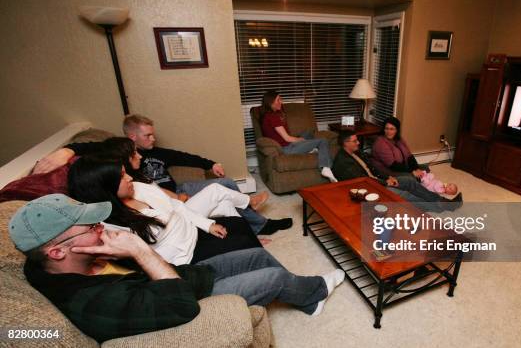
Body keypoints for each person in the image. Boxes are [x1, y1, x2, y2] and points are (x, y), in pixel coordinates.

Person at [9, 194, 345, 342]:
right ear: (56, 251)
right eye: (90, 226)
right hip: (186, 300)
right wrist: (138, 249)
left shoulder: (74, 261)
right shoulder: (90, 301)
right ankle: (315, 290)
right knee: (273, 277)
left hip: (182, 278)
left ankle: (306, 297)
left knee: (254, 255)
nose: (102, 227)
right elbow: (180, 306)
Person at [32, 115, 292, 235]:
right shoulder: (118, 157)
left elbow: (184, 156)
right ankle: (253, 215)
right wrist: (67, 150)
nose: (153, 139)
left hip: (179, 189)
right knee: (222, 193)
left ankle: (253, 220)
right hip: (167, 199)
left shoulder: (157, 151)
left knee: (223, 182)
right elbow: (90, 148)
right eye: (147, 135)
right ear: (132, 137)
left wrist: (211, 163)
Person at [68, 157, 266, 264]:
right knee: (242, 244)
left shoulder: (138, 187)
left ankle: (258, 235)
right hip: (183, 256)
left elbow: (176, 206)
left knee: (239, 224)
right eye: (121, 176)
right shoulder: (110, 227)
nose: (129, 177)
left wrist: (207, 224)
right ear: (105, 186)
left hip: (191, 231)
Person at [332, 130, 462, 212]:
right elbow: (363, 181)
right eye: (355, 141)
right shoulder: (344, 162)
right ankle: (441, 207)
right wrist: (385, 183)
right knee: (406, 195)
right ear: (345, 143)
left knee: (410, 182)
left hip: (378, 181)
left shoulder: (357, 153)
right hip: (371, 189)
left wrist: (388, 177)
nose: (358, 143)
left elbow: (373, 168)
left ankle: (442, 201)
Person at [260, 90, 337, 182]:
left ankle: (312, 149)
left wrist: (302, 139)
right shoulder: (272, 117)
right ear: (271, 103)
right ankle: (325, 168)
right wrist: (301, 140)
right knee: (322, 141)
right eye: (278, 100)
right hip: (287, 149)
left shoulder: (269, 115)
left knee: (309, 133)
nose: (281, 102)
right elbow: (287, 138)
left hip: (287, 145)